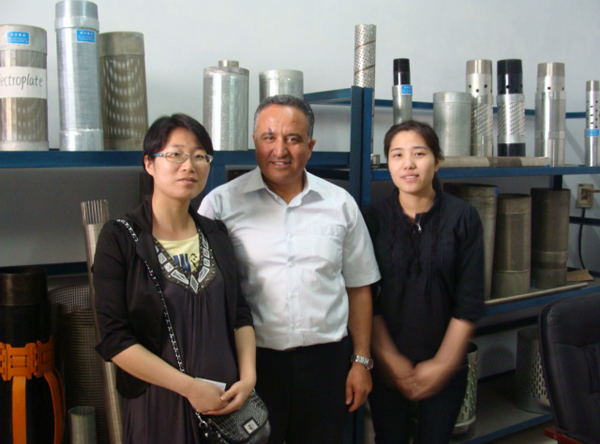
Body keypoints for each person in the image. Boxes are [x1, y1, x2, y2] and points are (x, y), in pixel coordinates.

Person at [199, 95, 381, 444]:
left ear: (310, 146)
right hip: (251, 366)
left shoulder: (340, 204)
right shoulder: (220, 204)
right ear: (255, 141)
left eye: (293, 139)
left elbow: (358, 287)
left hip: (327, 366)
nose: (280, 150)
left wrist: (361, 361)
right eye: (269, 137)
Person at [93, 114, 256, 444]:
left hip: (225, 401)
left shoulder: (216, 233)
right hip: (158, 404)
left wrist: (248, 378)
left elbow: (239, 313)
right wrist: (190, 388)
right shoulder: (120, 238)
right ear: (149, 164)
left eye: (199, 156)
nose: (189, 166)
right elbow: (114, 338)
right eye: (175, 154)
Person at [363, 120, 485, 444]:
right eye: (397, 155)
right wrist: (390, 360)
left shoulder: (463, 217)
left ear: (437, 161)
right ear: (388, 163)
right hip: (386, 363)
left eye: (419, 153)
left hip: (446, 362)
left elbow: (470, 300)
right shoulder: (371, 218)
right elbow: (364, 296)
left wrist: (443, 364)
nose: (408, 164)